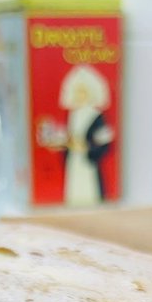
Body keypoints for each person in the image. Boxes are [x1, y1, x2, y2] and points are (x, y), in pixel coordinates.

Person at [38, 64, 114, 207]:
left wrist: (87, 147)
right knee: (74, 193)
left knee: (89, 192)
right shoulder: (72, 114)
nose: (80, 96)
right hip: (74, 161)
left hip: (88, 164)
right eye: (77, 92)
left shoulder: (96, 116)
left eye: (83, 92)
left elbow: (104, 143)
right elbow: (69, 138)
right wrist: (61, 143)